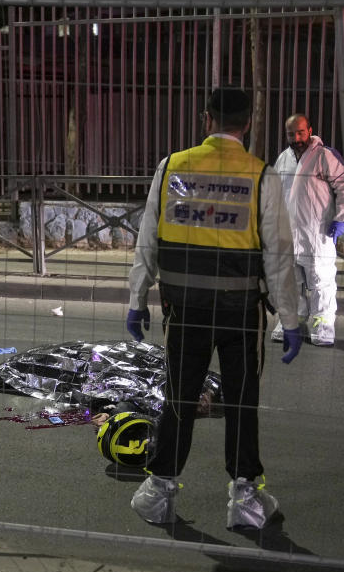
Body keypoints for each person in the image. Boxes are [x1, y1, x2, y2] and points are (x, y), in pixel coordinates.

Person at [124, 87, 302, 530]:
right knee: (241, 403)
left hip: (184, 308)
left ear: (206, 119)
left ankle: (158, 493)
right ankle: (244, 501)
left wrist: (136, 298)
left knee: (180, 399)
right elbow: (279, 254)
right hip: (241, 312)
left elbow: (147, 239)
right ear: (248, 123)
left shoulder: (171, 168)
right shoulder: (261, 175)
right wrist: (291, 317)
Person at [271, 114, 344, 346]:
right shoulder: (283, 159)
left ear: (310, 130)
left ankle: (322, 326)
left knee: (321, 282)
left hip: (318, 233)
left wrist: (341, 218)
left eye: (300, 132)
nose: (296, 138)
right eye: (291, 134)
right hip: (287, 234)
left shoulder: (325, 156)